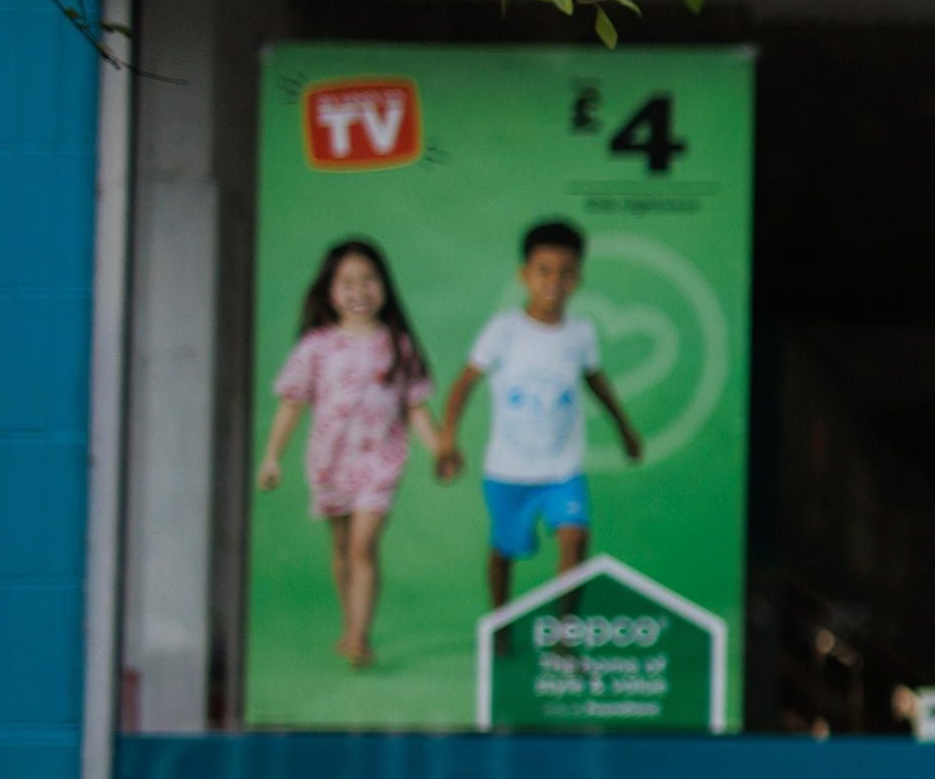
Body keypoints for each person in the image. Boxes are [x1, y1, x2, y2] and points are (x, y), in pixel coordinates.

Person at [255, 239, 452, 668]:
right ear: (329, 290)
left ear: (384, 286)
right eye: (347, 282)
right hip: (330, 461)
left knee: (363, 546)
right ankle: (349, 627)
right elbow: (292, 403)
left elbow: (416, 406)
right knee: (342, 545)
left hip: (380, 461)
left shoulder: (397, 345)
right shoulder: (316, 347)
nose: (359, 291)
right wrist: (272, 458)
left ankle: (360, 638)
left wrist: (440, 450)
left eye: (369, 280)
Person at [439, 218, 646, 610]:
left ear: (578, 279)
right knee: (505, 552)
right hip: (508, 472)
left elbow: (596, 382)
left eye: (566, 273)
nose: (554, 281)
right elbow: (463, 384)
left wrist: (625, 429)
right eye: (543, 270)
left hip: (562, 470)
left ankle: (563, 636)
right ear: (525, 275)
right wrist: (449, 438)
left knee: (575, 539)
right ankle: (500, 624)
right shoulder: (504, 330)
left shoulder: (580, 333)